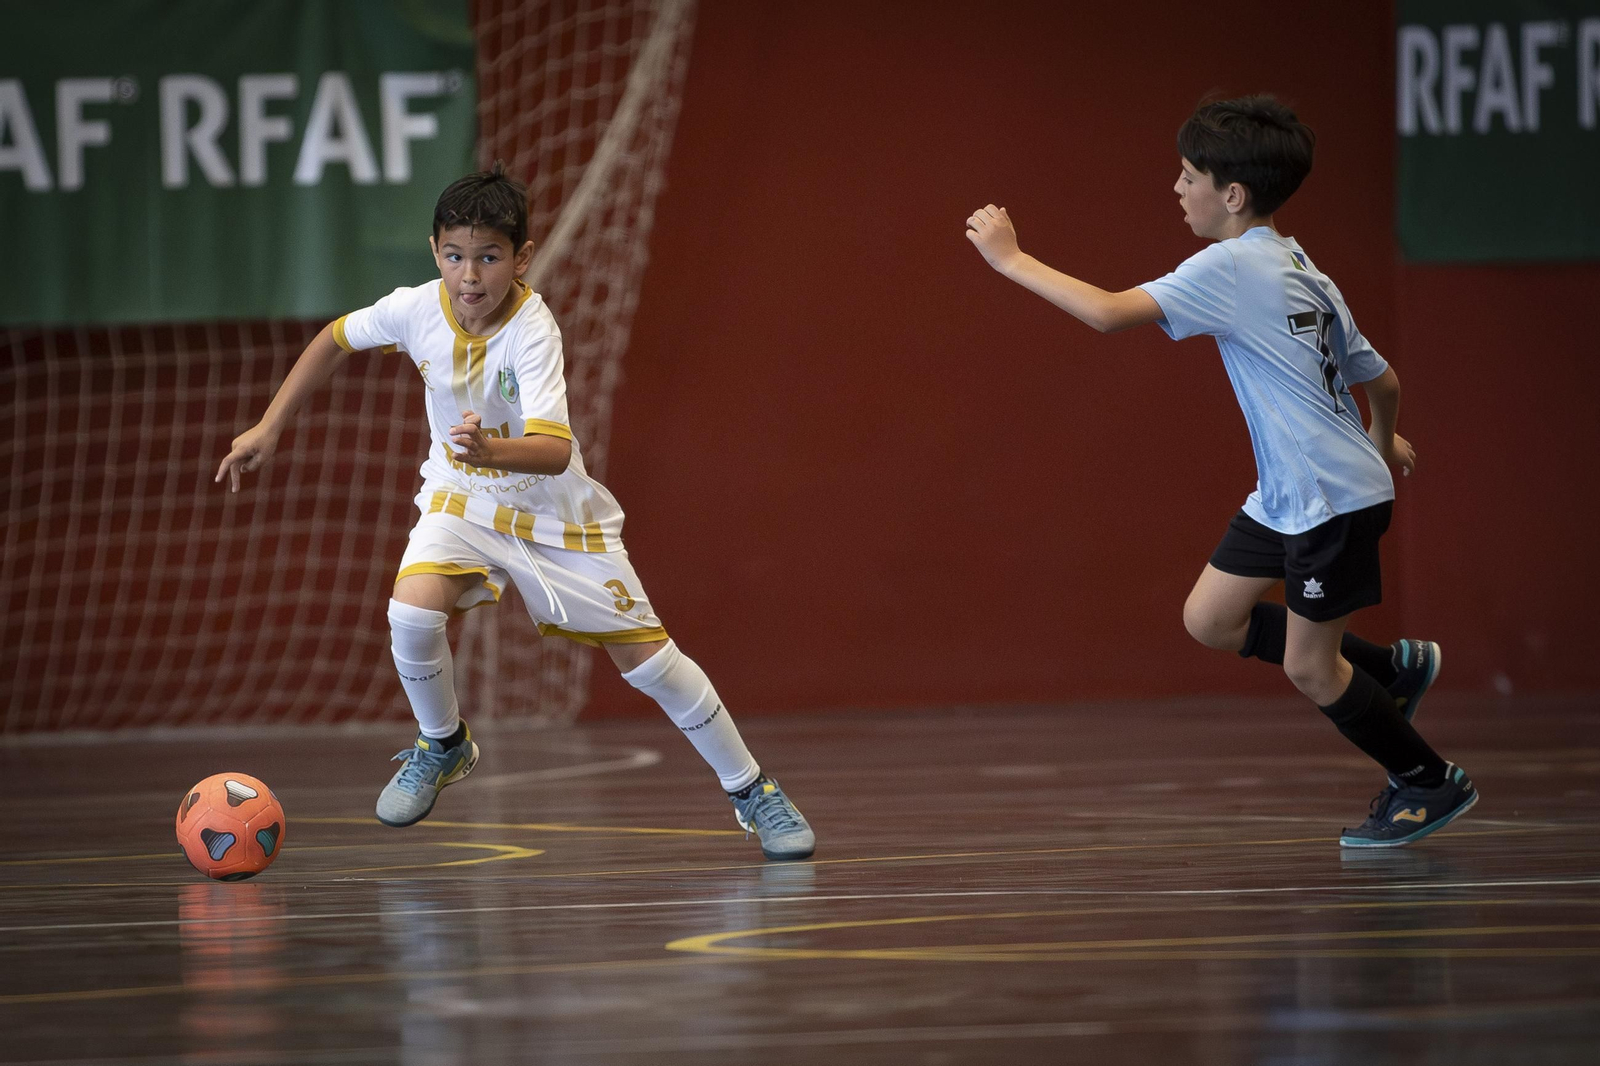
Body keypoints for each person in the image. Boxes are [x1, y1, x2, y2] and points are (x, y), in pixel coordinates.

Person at [216, 163, 814, 860]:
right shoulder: (416, 308)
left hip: (554, 513)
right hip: (461, 497)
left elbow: (554, 451)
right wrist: (269, 425)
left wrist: (487, 452)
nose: (469, 276)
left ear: (521, 258)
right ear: (435, 251)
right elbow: (336, 338)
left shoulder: (534, 331)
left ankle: (753, 791)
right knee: (410, 610)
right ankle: (443, 744)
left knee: (650, 661)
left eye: (489, 257)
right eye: (454, 255)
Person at [963, 95, 1475, 847]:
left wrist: (1011, 259)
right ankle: (1393, 671)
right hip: (1294, 492)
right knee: (1212, 619)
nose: (1177, 188)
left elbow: (1107, 312)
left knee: (1310, 666)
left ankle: (1429, 782)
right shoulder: (1303, 265)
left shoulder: (1231, 266)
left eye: (1187, 174)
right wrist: (1380, 437)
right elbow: (1385, 379)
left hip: (1329, 499)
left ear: (1231, 196)